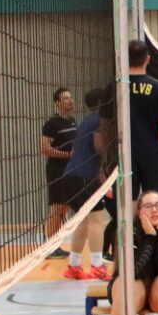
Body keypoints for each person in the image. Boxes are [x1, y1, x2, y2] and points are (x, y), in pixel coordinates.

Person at [60, 85, 112, 279]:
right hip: (85, 176)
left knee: (82, 221)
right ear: (102, 102)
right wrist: (107, 165)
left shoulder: (84, 121)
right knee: (97, 220)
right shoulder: (100, 119)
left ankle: (73, 266)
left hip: (70, 174)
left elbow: (76, 150)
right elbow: (99, 145)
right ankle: (97, 265)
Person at [124, 40, 158, 204]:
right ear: (147, 59)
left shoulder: (115, 87)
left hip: (124, 154)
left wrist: (105, 162)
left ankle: (132, 223)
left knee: (128, 202)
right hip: (152, 153)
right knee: (156, 202)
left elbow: (105, 126)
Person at [40, 87, 77, 251]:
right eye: (66, 98)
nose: (70, 101)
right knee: (56, 208)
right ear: (58, 103)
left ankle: (55, 243)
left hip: (71, 171)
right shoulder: (51, 124)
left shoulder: (72, 121)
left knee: (64, 207)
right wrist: (67, 155)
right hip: (57, 171)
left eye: (70, 97)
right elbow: (44, 149)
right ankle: (50, 246)